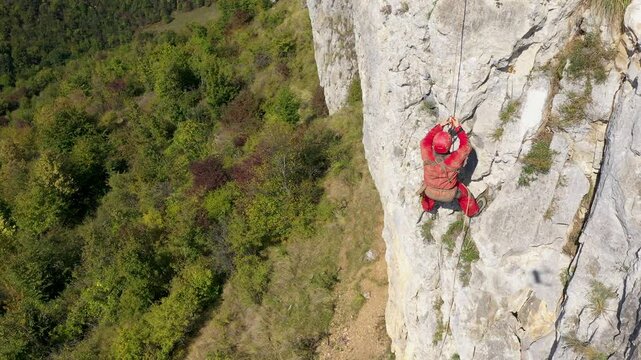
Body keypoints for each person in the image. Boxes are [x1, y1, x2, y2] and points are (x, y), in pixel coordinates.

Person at [419, 116, 480, 217]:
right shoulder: (454, 160)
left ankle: (428, 207)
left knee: (425, 191)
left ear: (433, 144)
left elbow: (426, 140)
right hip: (450, 194)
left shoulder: (426, 152)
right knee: (465, 195)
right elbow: (466, 146)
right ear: (449, 145)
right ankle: (472, 212)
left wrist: (440, 126)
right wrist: (458, 128)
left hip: (430, 191)